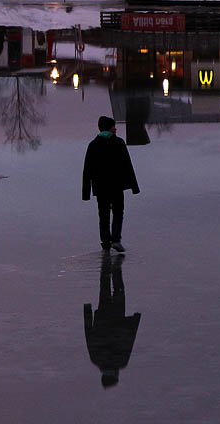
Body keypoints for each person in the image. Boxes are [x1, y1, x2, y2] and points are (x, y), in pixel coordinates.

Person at [82, 115, 140, 252]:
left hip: (100, 187)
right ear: (110, 128)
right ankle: (116, 239)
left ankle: (105, 242)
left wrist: (86, 193)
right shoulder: (118, 143)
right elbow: (127, 165)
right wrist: (134, 187)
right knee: (118, 212)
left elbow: (87, 170)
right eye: (114, 126)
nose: (116, 129)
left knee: (103, 215)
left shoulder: (93, 145)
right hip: (116, 186)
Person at [84, 253, 141, 388]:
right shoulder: (96, 359)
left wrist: (135, 320)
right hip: (102, 319)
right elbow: (89, 334)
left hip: (118, 319)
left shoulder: (121, 361)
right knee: (104, 289)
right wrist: (87, 312)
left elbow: (129, 339)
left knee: (118, 291)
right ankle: (108, 267)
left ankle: (116, 268)